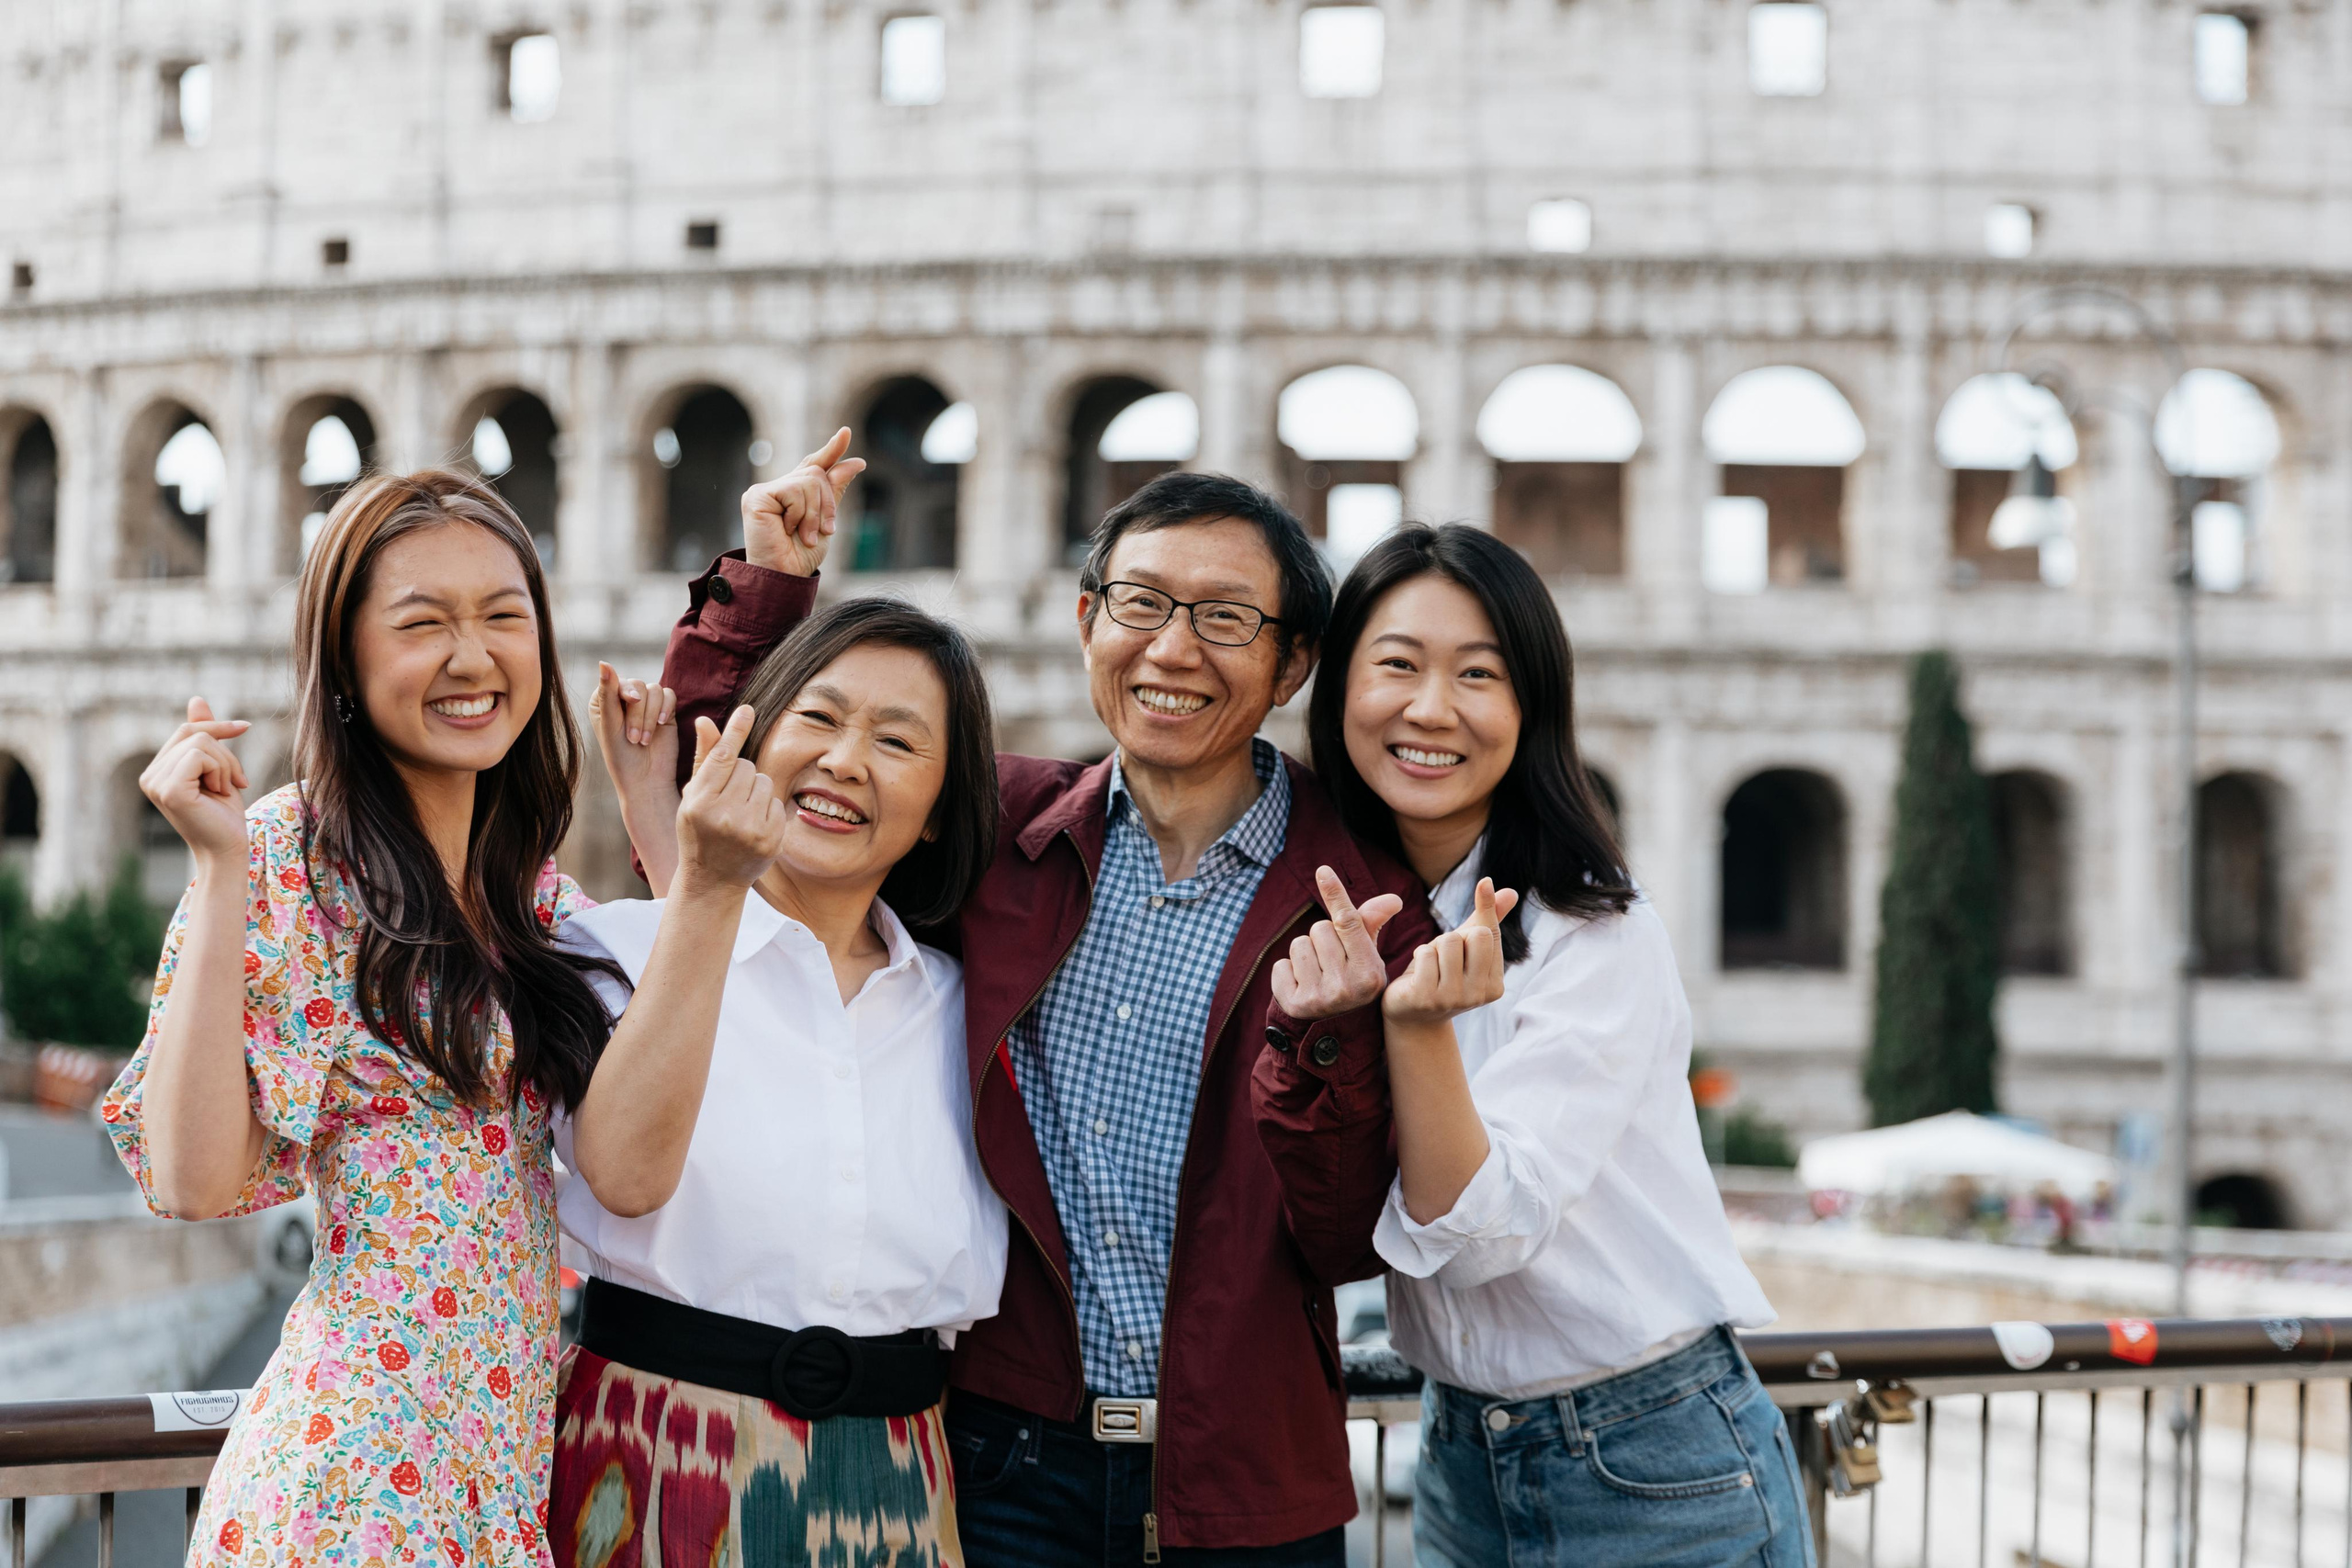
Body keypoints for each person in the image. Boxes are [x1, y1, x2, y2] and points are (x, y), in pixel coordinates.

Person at [612, 434, 1436, 1564]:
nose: (1172, 648)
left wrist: (1330, 1045)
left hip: (1248, 1484)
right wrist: (767, 586)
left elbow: (1351, 1238)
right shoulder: (1002, 834)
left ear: (1292, 667)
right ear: (1089, 619)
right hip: (1002, 1462)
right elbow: (768, 782)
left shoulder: (1368, 900)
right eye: (1140, 602)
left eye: (1226, 619)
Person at [101, 471, 622, 1567]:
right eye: (422, 624)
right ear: (343, 661)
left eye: (503, 616)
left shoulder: (526, 895)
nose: (472, 658)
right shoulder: (289, 853)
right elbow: (193, 1181)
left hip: (494, 1464)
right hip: (354, 1480)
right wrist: (220, 861)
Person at [1279, 522, 1811, 1568]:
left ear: (1530, 710)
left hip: (1654, 1463)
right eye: (1396, 665)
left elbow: (1485, 1238)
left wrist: (1417, 1031)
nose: (1431, 709)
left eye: (1478, 675)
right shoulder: (1347, 912)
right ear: (1338, 688)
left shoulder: (1596, 932)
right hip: (1461, 1450)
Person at [547, 594, 1008, 1567]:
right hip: (654, 1447)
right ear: (753, 744)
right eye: (821, 718)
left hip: (900, 1477)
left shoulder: (970, 1012)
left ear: (937, 814)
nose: (846, 761)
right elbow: (621, 1176)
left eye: (897, 741)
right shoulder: (613, 951)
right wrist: (703, 877)